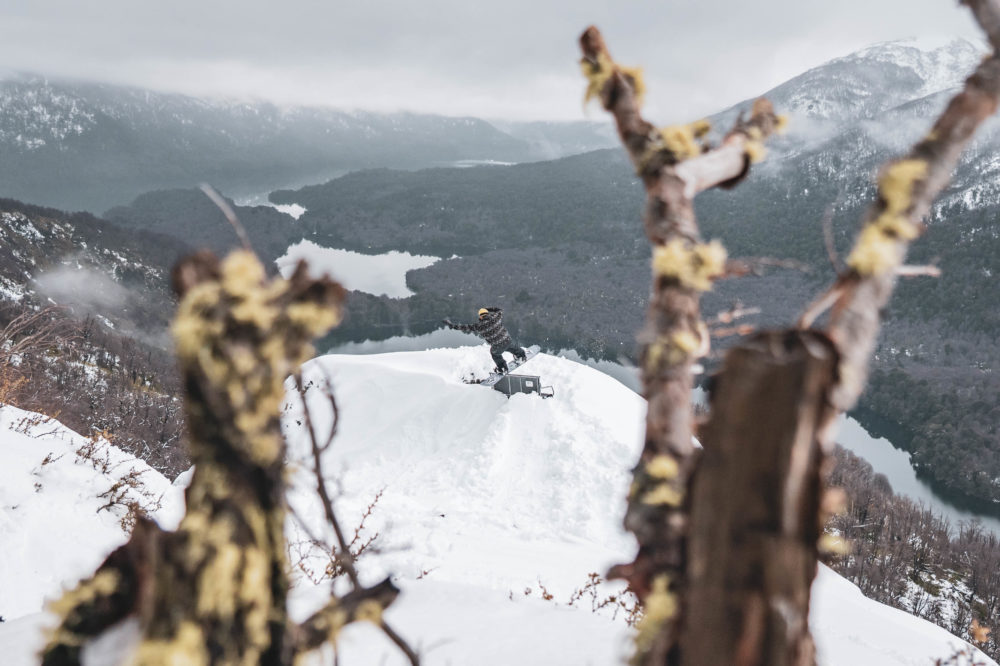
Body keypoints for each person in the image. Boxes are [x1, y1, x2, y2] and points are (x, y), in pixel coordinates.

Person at [443, 306, 527, 374]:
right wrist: (489, 309)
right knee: (510, 346)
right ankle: (521, 355)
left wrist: (452, 325)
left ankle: (502, 367)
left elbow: (464, 327)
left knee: (495, 354)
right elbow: (499, 310)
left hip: (497, 346)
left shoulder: (478, 326)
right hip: (507, 340)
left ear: (480, 316)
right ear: (487, 313)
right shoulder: (496, 317)